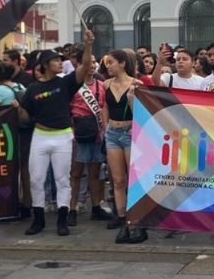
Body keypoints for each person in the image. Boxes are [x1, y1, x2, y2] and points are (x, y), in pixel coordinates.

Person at [17, 30, 95, 237]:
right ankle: (39, 219)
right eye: (55, 60)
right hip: (40, 136)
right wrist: (19, 108)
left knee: (62, 180)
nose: (60, 63)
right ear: (44, 65)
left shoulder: (65, 82)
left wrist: (88, 45)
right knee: (36, 179)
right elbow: (24, 117)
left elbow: (85, 66)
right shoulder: (32, 89)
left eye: (61, 60)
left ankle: (62, 220)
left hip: (62, 137)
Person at [102, 50, 145, 244]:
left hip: (130, 133)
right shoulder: (106, 84)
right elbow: (105, 106)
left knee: (133, 179)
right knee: (118, 180)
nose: (108, 66)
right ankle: (122, 219)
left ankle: (135, 222)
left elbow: (143, 113)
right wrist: (105, 127)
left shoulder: (136, 85)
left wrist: (131, 99)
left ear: (122, 63)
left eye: (111, 62)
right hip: (113, 133)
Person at [68, 51, 111, 228]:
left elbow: (104, 108)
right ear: (79, 64)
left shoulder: (101, 85)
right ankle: (72, 209)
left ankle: (95, 207)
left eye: (94, 62)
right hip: (79, 132)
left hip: (96, 132)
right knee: (76, 173)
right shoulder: (73, 85)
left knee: (95, 172)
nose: (92, 65)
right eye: (89, 62)